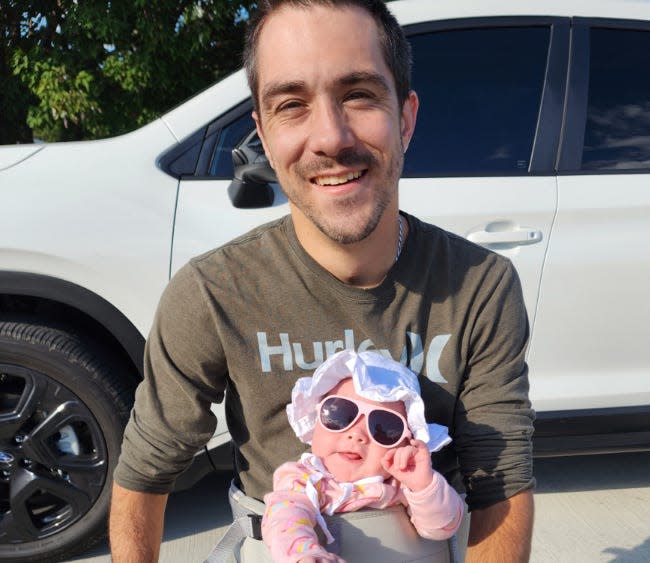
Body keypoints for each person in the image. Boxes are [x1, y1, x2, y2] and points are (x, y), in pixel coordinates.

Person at [109, 1, 535, 562]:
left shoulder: (482, 287)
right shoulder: (210, 294)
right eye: (292, 105)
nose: (330, 138)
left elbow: (500, 483)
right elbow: (146, 470)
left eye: (358, 94)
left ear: (405, 117)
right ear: (262, 133)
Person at [262, 350, 464, 562]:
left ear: (405, 441)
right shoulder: (302, 479)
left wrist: (424, 486)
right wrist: (305, 554)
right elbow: (284, 520)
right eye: (339, 414)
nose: (357, 435)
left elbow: (443, 527)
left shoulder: (400, 484)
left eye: (383, 427)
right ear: (315, 421)